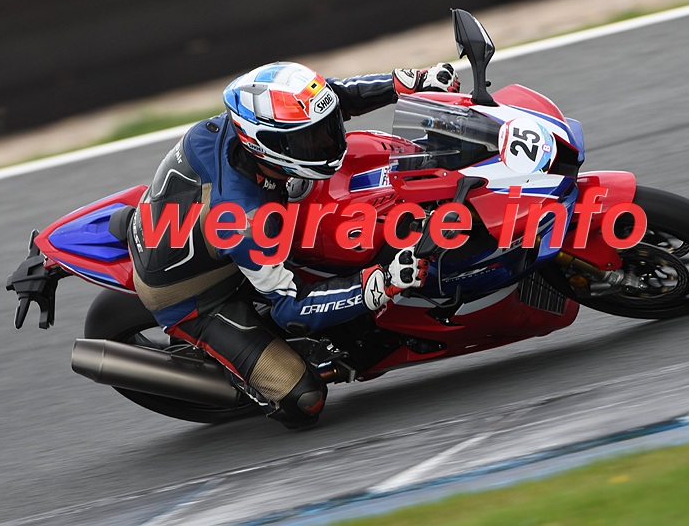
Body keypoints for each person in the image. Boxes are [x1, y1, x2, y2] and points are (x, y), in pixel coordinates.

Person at [128, 61, 460, 428]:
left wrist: (406, 83)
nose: (329, 142)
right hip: (194, 296)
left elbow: (336, 96)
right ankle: (246, 376)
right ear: (267, 145)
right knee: (305, 400)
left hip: (194, 230)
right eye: (311, 140)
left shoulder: (251, 127)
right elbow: (291, 306)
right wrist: (380, 283)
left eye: (326, 130)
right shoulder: (246, 222)